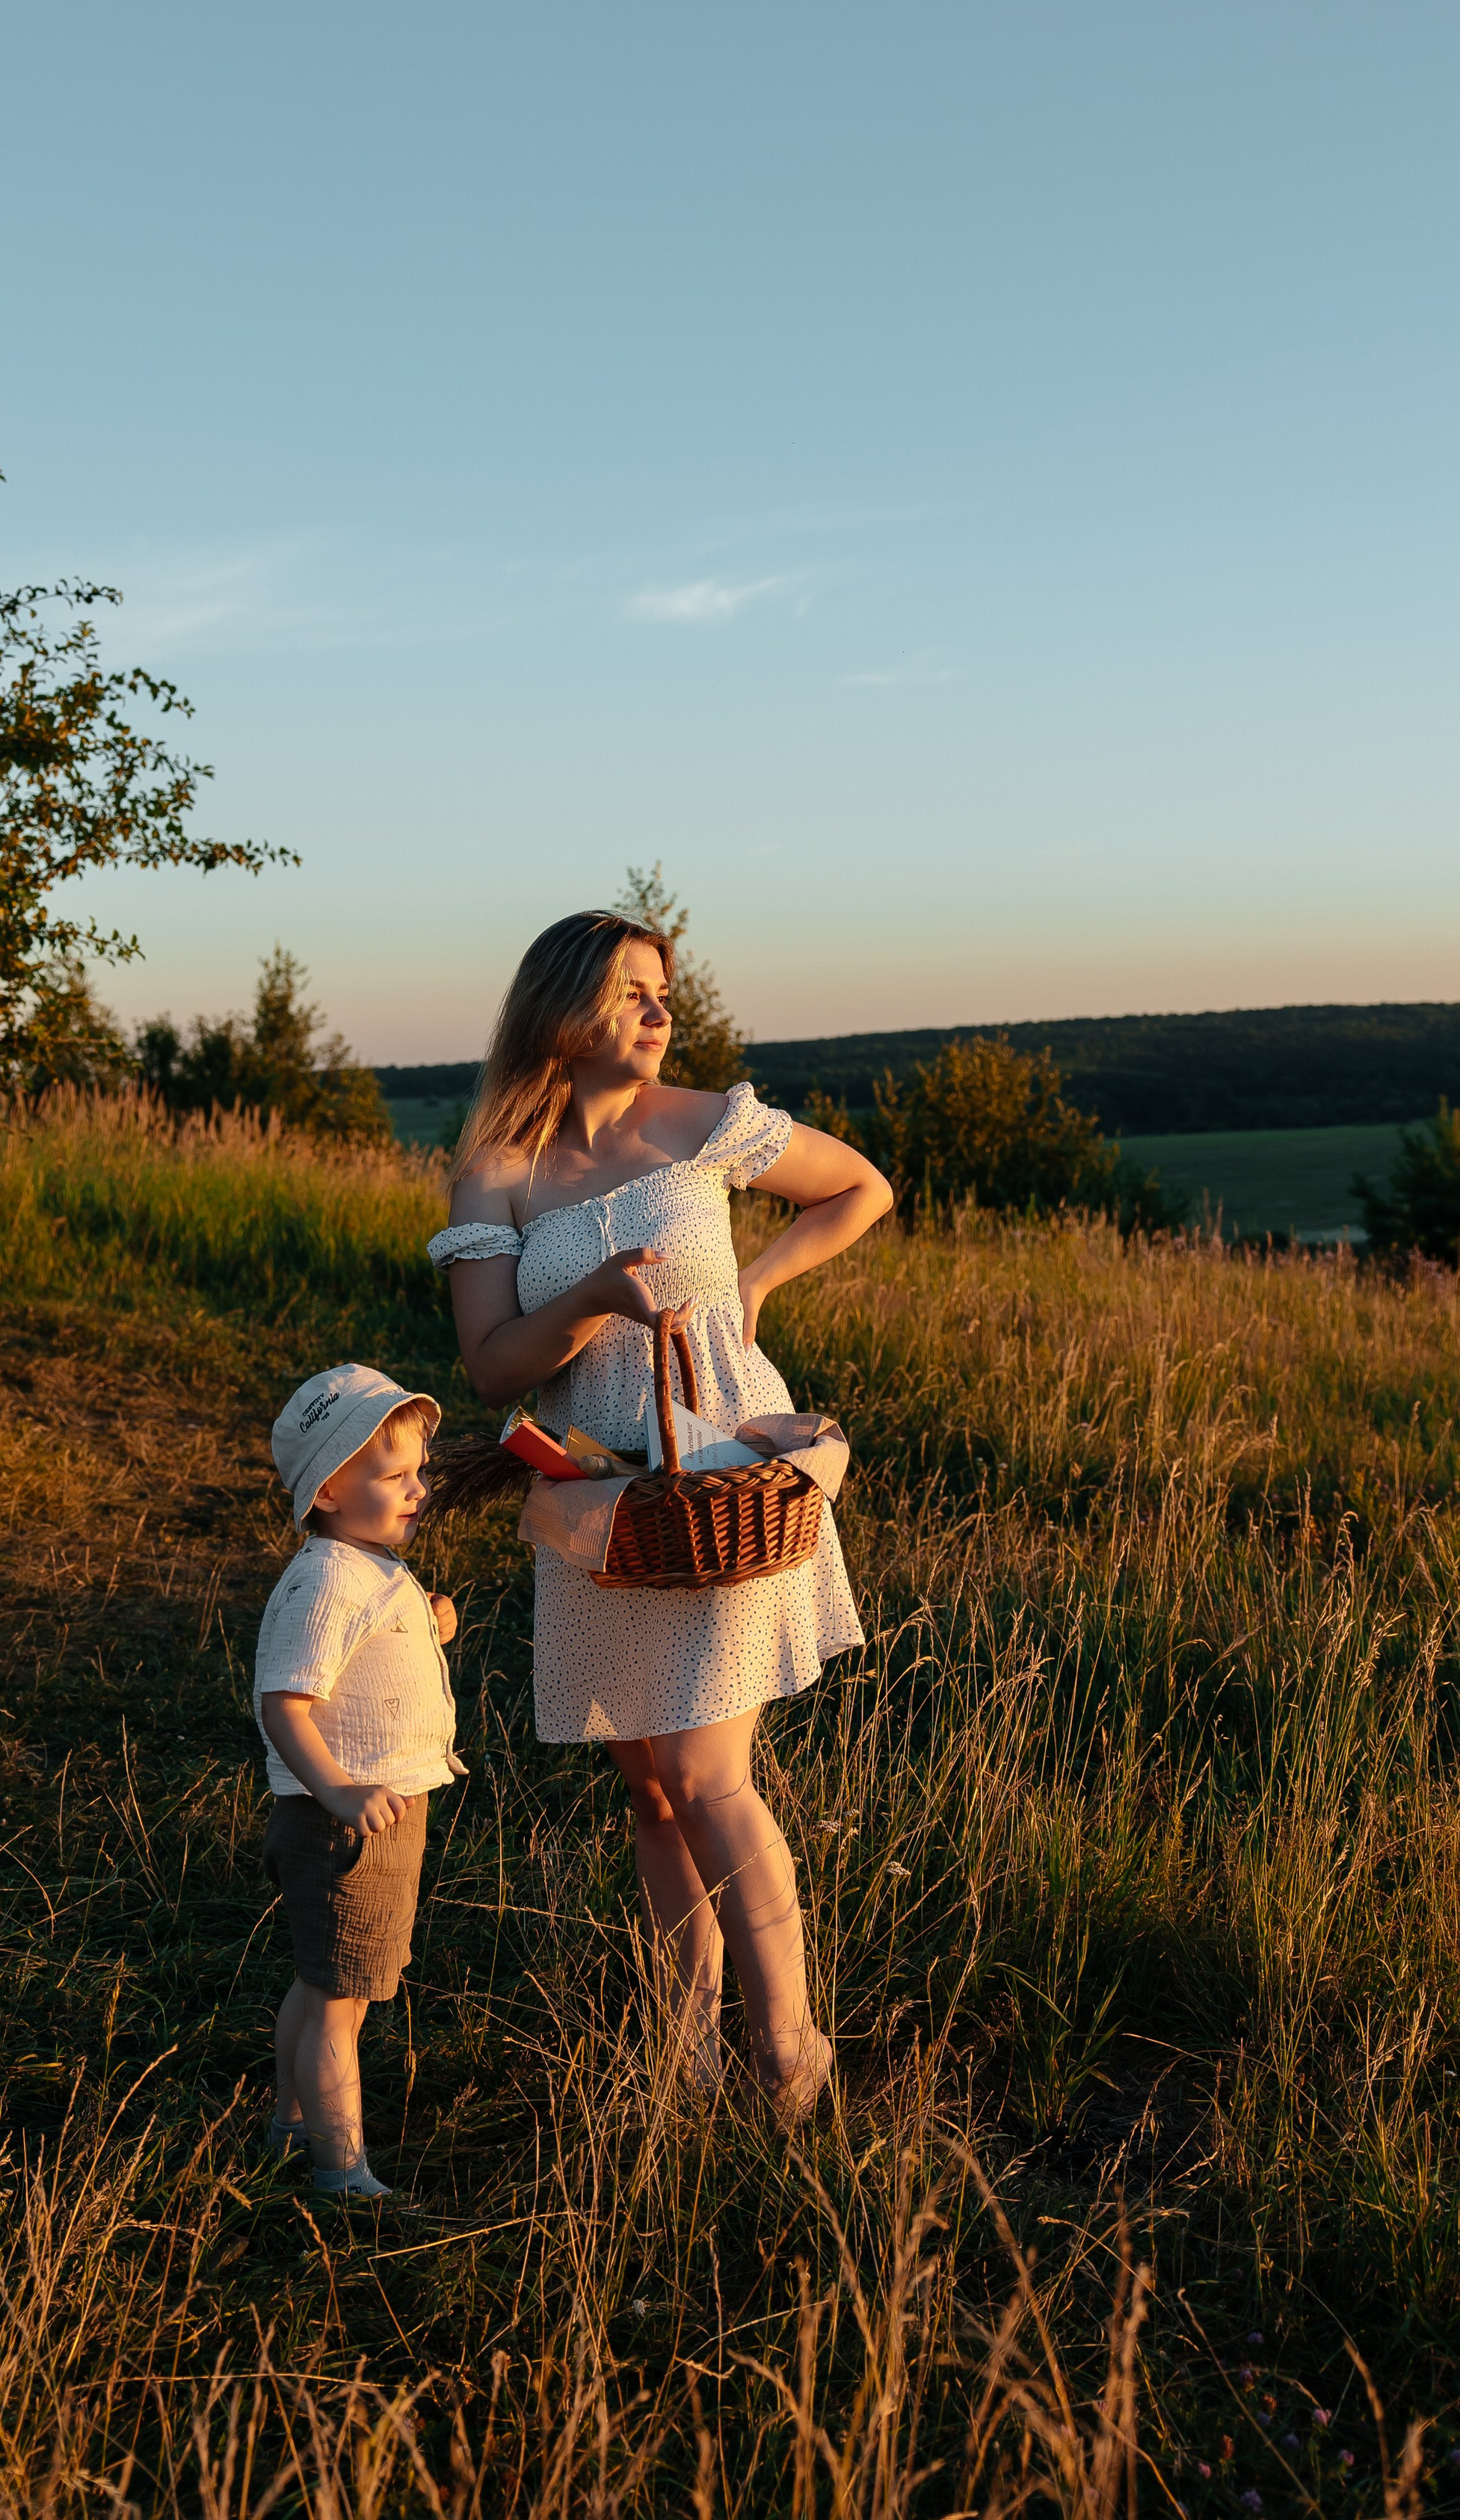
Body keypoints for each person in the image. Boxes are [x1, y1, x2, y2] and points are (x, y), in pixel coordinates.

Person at [427, 912, 893, 2121]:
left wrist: (756, 1283)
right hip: (595, 1490)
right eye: (630, 991)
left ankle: (790, 2055)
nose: (658, 1009)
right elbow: (489, 1370)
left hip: (719, 1471)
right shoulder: (499, 1171)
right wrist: (589, 1296)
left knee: (704, 1769)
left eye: (661, 989)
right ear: (560, 1012)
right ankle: (684, 2050)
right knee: (649, 1789)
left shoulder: (700, 1124)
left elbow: (859, 1189)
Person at [256, 1363, 466, 2199]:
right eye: (394, 1476)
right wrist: (338, 1790)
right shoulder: (327, 1580)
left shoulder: (363, 1562)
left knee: (322, 1985)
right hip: (345, 1819)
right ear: (331, 1491)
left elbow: (361, 1656)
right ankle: (339, 2167)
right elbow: (286, 1704)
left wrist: (428, 1625)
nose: (418, 1489)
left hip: (366, 1810)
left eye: (419, 1470)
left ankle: (289, 2125)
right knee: (339, 2002)